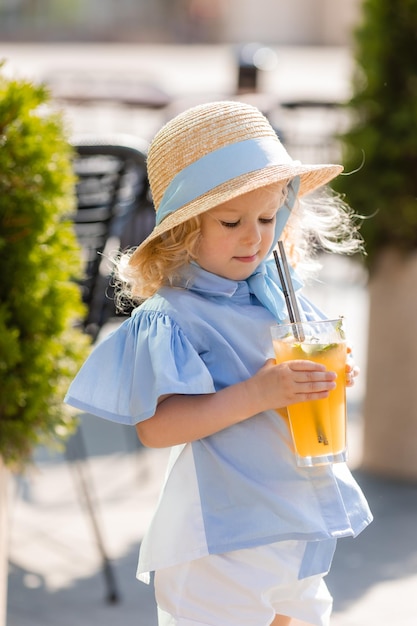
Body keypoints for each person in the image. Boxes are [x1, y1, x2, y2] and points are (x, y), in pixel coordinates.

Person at [65, 101, 372, 626]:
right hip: (223, 541)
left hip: (295, 523)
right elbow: (157, 427)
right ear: (183, 232)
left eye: (267, 217)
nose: (254, 237)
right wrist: (260, 392)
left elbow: (299, 381)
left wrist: (330, 373)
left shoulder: (279, 295)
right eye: (231, 221)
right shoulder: (177, 316)